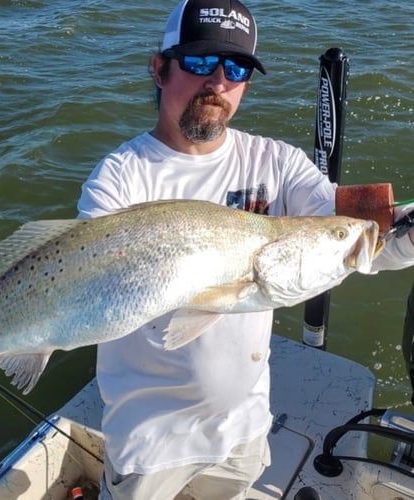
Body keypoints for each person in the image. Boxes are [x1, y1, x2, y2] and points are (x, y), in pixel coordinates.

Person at [77, 0, 414, 498]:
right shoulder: (119, 178)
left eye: (235, 68)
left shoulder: (277, 163)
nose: (216, 82)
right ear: (159, 67)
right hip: (149, 438)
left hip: (244, 430)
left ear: (245, 84)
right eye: (198, 62)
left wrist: (402, 237)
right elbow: (94, 288)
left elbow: (356, 243)